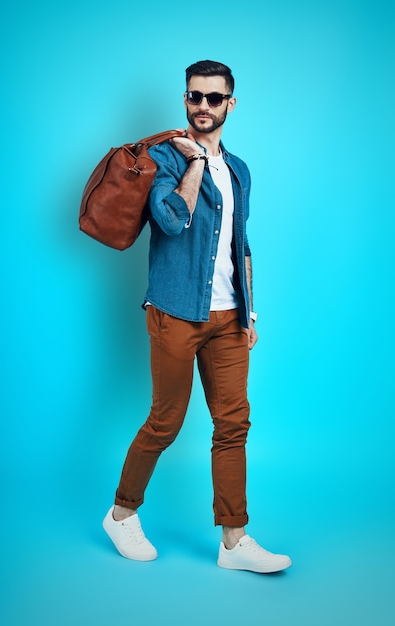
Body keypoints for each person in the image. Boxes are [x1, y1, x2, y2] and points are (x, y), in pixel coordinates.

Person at [102, 60, 291, 574]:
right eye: (194, 96)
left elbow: (240, 244)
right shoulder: (164, 158)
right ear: (185, 100)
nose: (202, 106)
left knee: (233, 424)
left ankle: (234, 541)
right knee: (165, 421)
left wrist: (250, 311)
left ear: (231, 104)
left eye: (213, 98)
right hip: (176, 313)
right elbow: (170, 220)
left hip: (230, 319)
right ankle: (121, 514)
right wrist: (194, 164)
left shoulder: (240, 171)